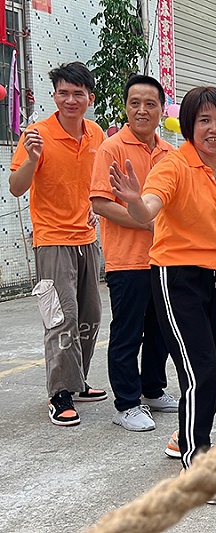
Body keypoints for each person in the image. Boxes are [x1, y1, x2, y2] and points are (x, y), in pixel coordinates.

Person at [110, 86, 216, 504]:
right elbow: (148, 207)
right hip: (177, 277)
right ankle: (197, 458)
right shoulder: (173, 165)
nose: (214, 129)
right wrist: (134, 202)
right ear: (189, 126)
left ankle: (183, 431)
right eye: (204, 120)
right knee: (200, 370)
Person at [9, 62, 107, 427]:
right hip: (51, 240)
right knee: (60, 318)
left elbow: (100, 181)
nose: (70, 100)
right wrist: (33, 160)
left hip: (87, 238)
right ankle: (59, 393)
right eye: (63, 93)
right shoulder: (37, 135)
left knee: (90, 316)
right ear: (54, 96)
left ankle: (77, 381)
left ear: (89, 98)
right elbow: (17, 188)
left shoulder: (97, 135)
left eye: (77, 94)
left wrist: (99, 208)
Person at [89, 74, 178, 432]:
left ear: (161, 109)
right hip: (127, 260)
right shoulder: (112, 148)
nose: (142, 110)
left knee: (160, 331)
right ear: (126, 107)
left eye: (150, 104)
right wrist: (145, 224)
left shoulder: (170, 153)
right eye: (135, 103)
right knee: (128, 332)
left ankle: (153, 390)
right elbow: (100, 203)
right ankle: (126, 403)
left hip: (164, 259)